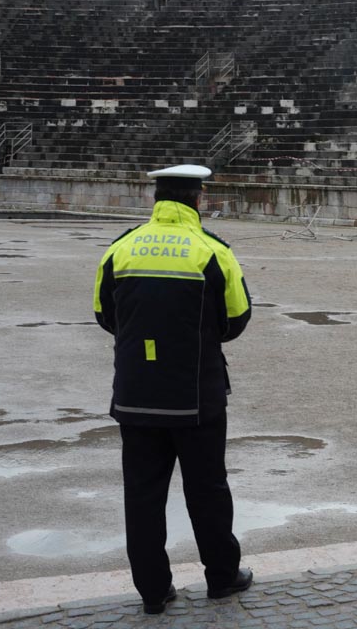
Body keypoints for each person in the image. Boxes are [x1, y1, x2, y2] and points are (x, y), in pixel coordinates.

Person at [93, 164, 254, 614]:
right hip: (195, 395)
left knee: (142, 495)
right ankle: (222, 578)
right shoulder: (212, 251)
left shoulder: (120, 249)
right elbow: (236, 320)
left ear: (156, 200)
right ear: (197, 199)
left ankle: (152, 592)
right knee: (208, 490)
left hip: (136, 394)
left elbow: (104, 315)